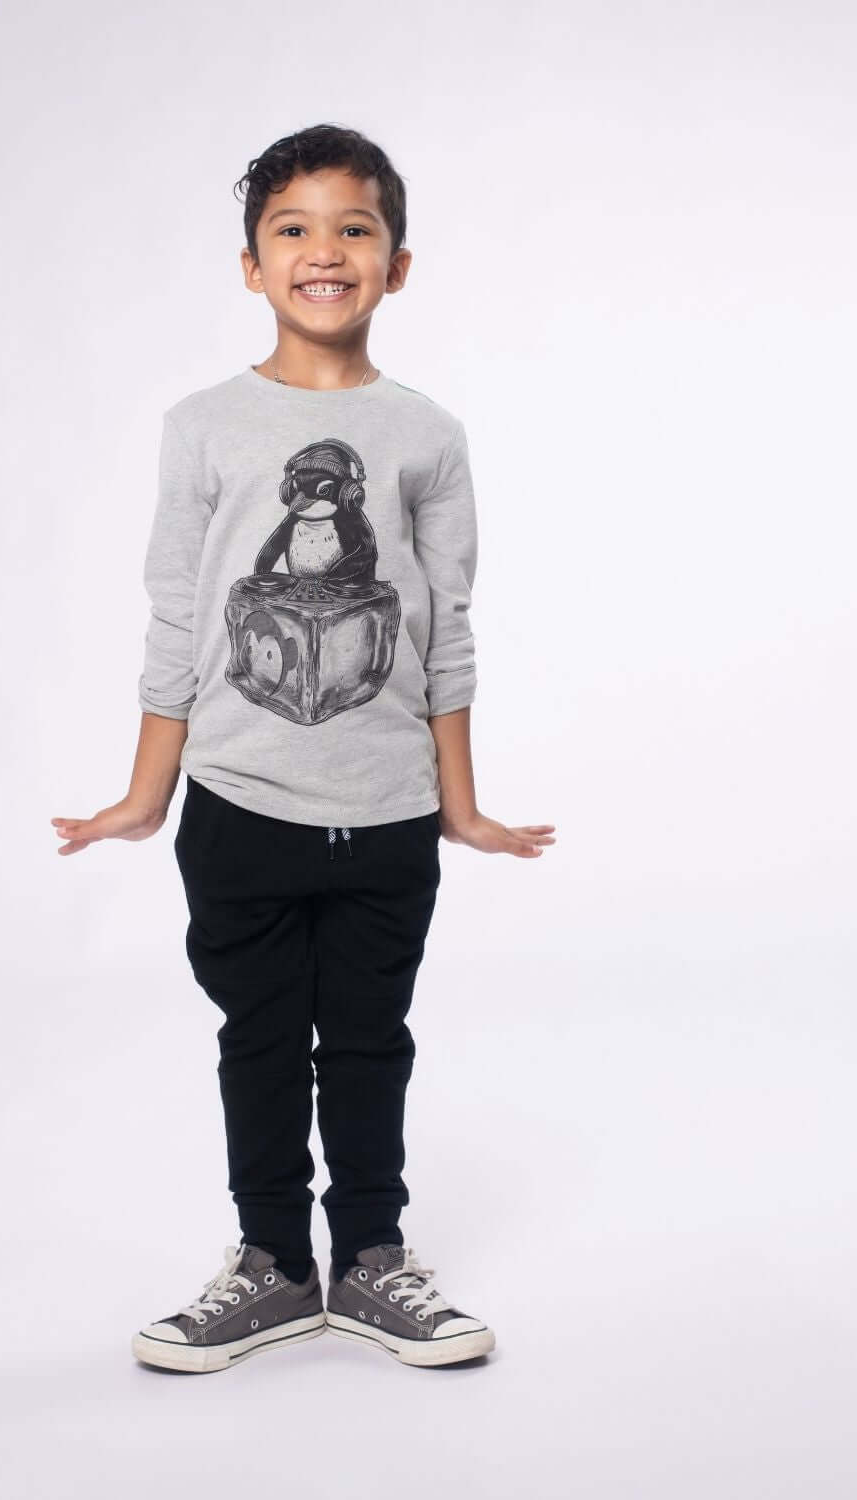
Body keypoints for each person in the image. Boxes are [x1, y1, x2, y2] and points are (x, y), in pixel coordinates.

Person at [51, 124, 556, 1373]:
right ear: (251, 264)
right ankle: (274, 1264)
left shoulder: (428, 435)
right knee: (262, 1039)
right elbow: (181, 619)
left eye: (353, 228)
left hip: (386, 810)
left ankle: (372, 1260)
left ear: (397, 263)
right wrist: (144, 793)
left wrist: (462, 804)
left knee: (372, 1040)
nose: (324, 251)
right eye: (293, 228)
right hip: (239, 805)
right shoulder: (203, 426)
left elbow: (444, 629)